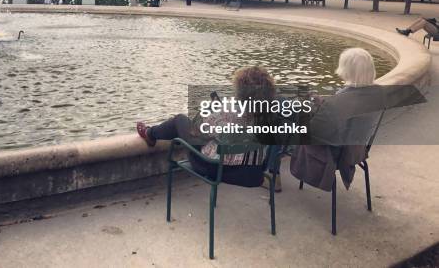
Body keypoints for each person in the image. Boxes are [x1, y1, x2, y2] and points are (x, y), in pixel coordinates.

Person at [136, 66, 276, 186]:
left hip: (216, 169)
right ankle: (150, 133)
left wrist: (210, 112)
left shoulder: (228, 110)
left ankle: (150, 133)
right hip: (254, 174)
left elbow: (198, 134)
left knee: (180, 120)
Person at [290, 48, 378, 192]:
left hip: (335, 154)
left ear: (347, 70)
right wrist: (323, 104)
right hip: (357, 149)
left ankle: (273, 171)